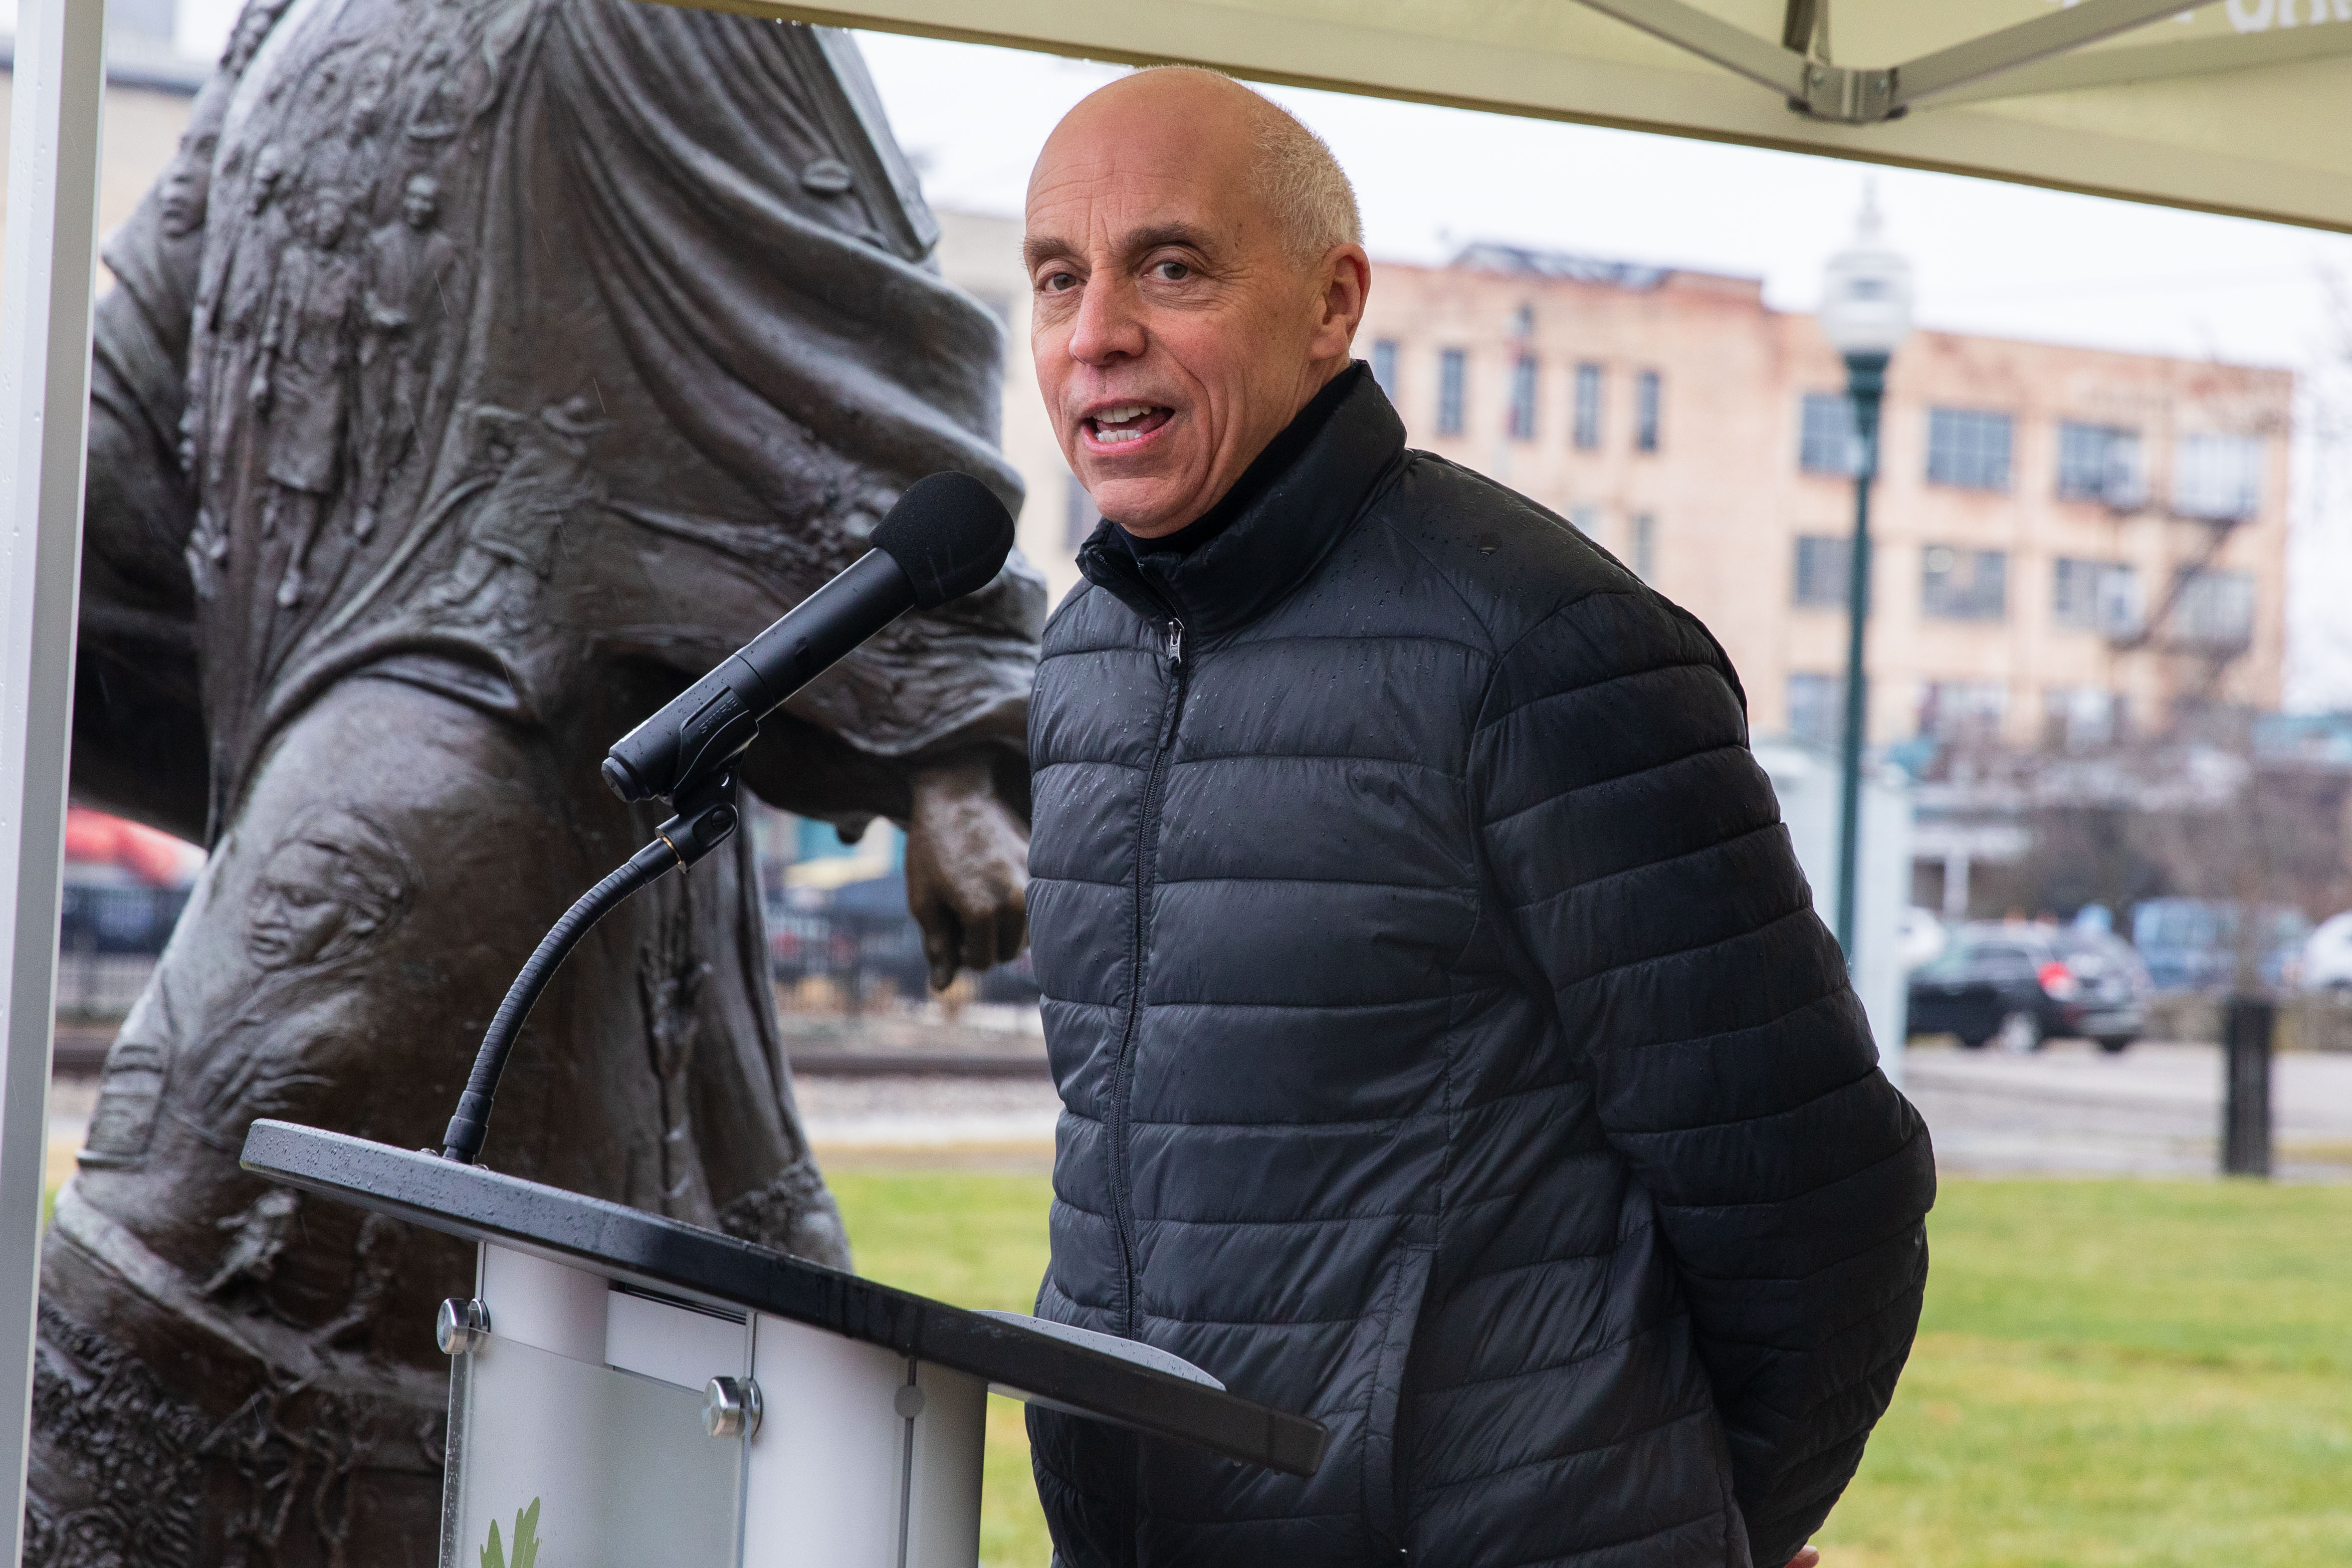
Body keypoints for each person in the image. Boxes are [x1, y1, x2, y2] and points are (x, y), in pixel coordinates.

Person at [47, 2, 1038, 1559]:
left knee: (153, 1328)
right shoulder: (279, 21)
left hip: (492, 775)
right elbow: (127, 420)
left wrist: (951, 751)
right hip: (344, 757)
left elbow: (855, 336)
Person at [1021, 67, 1934, 1567]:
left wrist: (1695, 1526)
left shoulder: (1544, 644)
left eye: (1168, 267)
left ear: (1332, 305)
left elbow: (1818, 1201)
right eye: (1060, 279)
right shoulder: (1086, 664)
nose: (1096, 331)